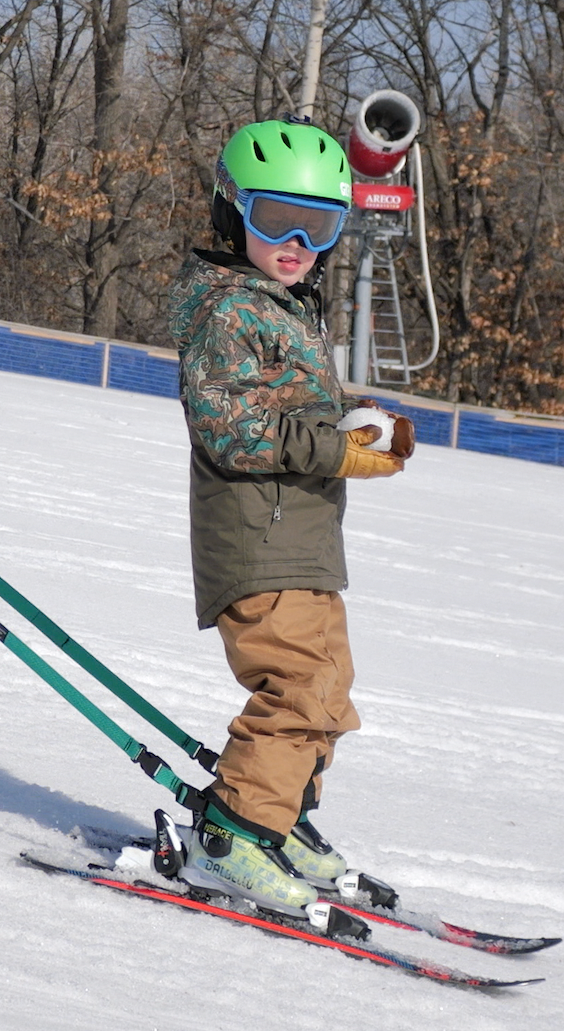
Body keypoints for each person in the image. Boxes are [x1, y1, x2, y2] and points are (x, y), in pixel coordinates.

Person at [163, 118, 414, 918]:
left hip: (301, 537)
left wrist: (357, 420)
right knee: (298, 686)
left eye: (321, 226)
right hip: (257, 538)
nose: (299, 243)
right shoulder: (229, 313)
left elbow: (294, 406)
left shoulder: (282, 306)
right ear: (232, 211)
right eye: (277, 220)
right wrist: (337, 452)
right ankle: (232, 836)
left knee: (328, 690)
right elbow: (232, 428)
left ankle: (280, 821)